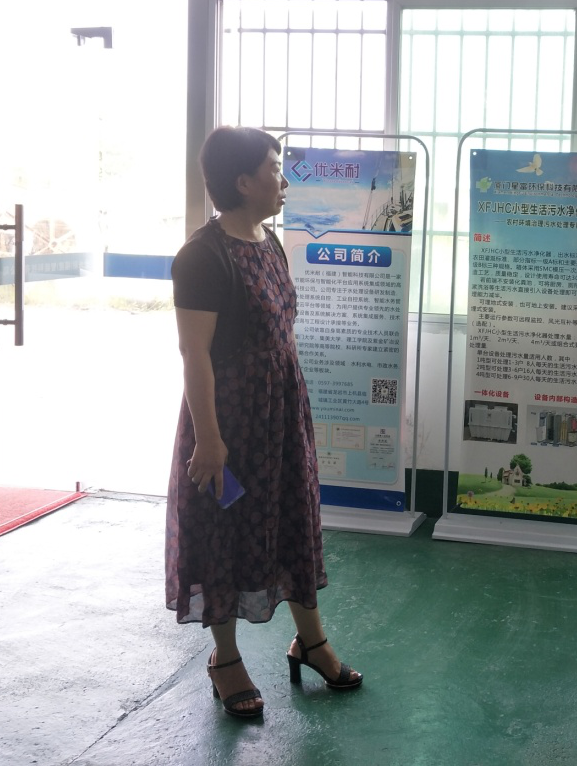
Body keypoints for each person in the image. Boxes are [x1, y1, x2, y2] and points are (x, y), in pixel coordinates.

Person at [166, 125, 362, 719]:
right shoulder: (201, 257)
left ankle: (311, 642)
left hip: (280, 414)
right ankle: (225, 658)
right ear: (243, 181)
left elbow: (281, 332)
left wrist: (294, 411)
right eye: (275, 169)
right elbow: (194, 353)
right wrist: (209, 439)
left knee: (294, 523)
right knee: (224, 533)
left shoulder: (268, 241)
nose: (284, 181)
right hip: (228, 421)